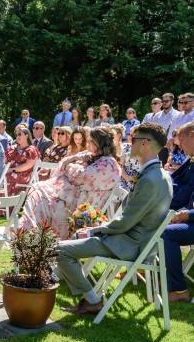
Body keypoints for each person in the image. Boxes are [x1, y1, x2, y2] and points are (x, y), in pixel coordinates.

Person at [57, 123, 172, 314]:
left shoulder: (151, 180)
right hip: (133, 240)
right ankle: (61, 281)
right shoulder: (160, 175)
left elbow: (126, 222)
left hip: (129, 244)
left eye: (133, 140)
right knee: (72, 241)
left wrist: (94, 229)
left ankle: (93, 300)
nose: (129, 142)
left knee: (59, 250)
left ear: (145, 143)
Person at [19, 127, 121, 239]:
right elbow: (64, 164)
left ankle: (30, 237)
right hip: (73, 200)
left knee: (40, 198)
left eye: (90, 141)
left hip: (83, 209)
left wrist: (70, 165)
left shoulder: (109, 165)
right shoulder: (92, 156)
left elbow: (80, 176)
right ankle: (29, 237)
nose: (87, 144)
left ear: (99, 143)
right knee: (37, 191)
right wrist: (74, 159)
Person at [162, 121, 194, 303]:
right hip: (188, 214)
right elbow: (174, 179)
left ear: (192, 135)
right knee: (155, 217)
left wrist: (188, 214)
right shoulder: (191, 158)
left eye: (181, 139)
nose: (179, 144)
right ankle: (145, 266)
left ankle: (179, 289)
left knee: (167, 233)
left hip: (191, 218)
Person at [5, 127, 40, 195]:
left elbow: (27, 165)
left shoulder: (31, 149)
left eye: (19, 134)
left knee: (7, 178)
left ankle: (8, 203)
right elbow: (3, 160)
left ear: (26, 135)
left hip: (22, 175)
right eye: (16, 135)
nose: (17, 136)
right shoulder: (12, 148)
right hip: (7, 172)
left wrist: (11, 170)